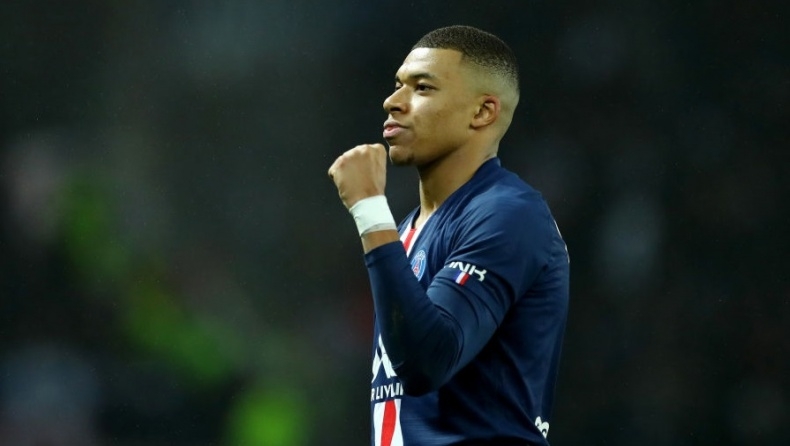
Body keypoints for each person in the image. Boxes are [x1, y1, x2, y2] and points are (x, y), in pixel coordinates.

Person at [328, 25, 570, 446]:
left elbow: (428, 361)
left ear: (482, 112)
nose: (392, 101)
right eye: (398, 85)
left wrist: (369, 208)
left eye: (422, 87)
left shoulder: (508, 214)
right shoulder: (407, 229)